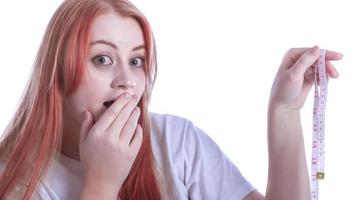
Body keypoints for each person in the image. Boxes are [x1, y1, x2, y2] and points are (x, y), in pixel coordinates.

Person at [0, 0, 343, 199]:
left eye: (136, 61)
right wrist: (101, 182)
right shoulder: (16, 178)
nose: (126, 83)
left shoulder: (176, 142)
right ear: (56, 73)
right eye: (102, 59)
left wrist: (283, 112)